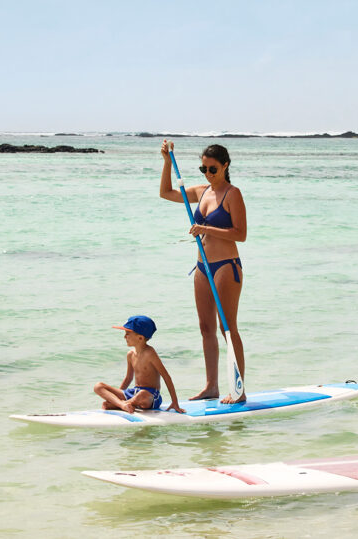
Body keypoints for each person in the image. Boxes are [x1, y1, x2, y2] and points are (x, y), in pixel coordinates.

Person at [159, 140, 248, 403]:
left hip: (226, 266)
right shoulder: (202, 192)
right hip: (202, 266)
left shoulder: (233, 194)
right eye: (204, 169)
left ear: (225, 166)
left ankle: (239, 389)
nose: (208, 174)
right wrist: (166, 161)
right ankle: (211, 386)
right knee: (205, 327)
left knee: (227, 327)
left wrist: (206, 229)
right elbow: (165, 193)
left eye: (213, 169)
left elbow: (240, 234)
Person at [93, 315, 184, 414]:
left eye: (127, 333)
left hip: (150, 396)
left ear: (140, 338)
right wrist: (118, 396)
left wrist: (175, 402)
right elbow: (128, 378)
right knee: (98, 386)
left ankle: (123, 404)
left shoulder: (150, 353)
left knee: (142, 394)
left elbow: (166, 377)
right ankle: (123, 404)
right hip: (133, 393)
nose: (124, 337)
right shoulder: (130, 354)